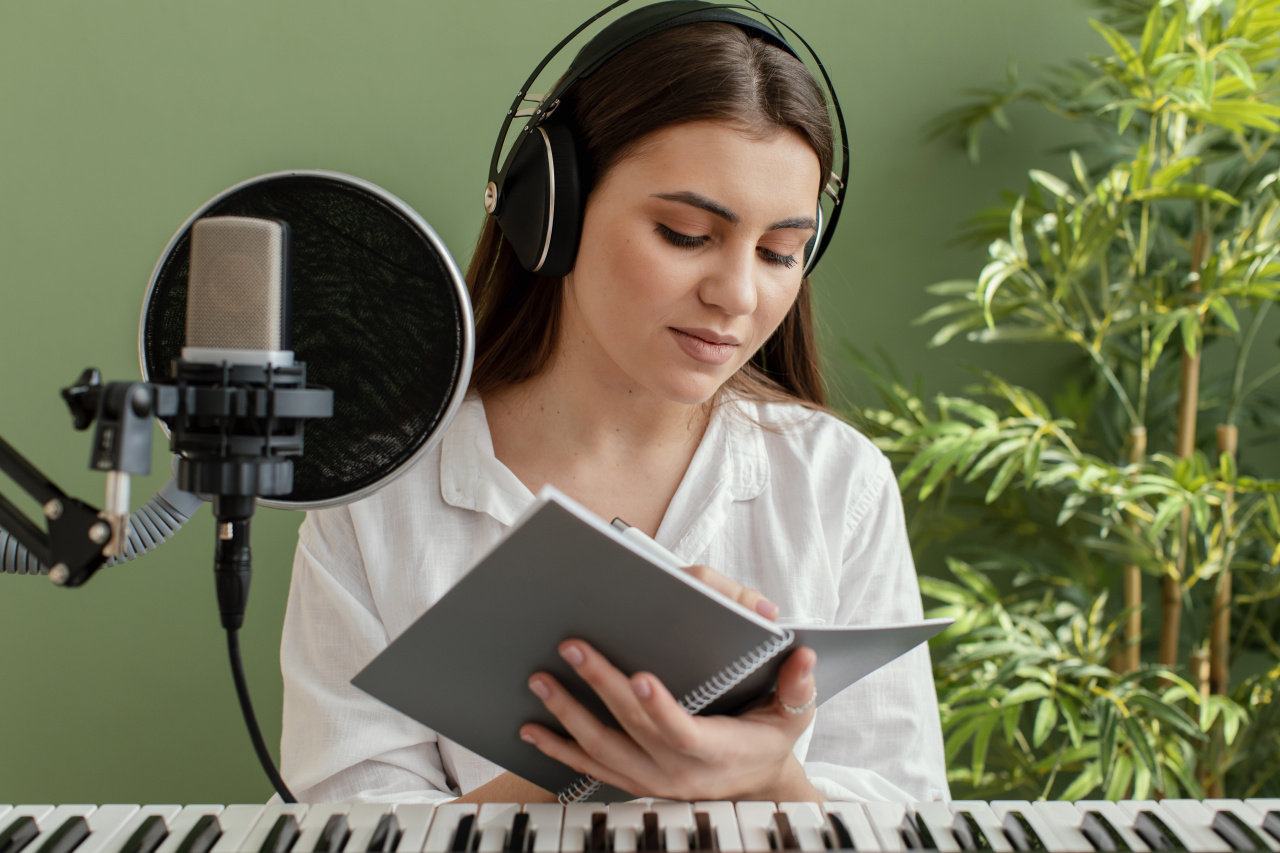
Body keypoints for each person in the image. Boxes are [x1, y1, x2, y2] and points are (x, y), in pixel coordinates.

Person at [279, 1, 949, 805]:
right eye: (686, 234)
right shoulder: (381, 492)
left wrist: (772, 777)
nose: (738, 294)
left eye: (779, 252)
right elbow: (347, 825)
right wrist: (592, 759)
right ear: (550, 209)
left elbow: (905, 813)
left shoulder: (838, 481)